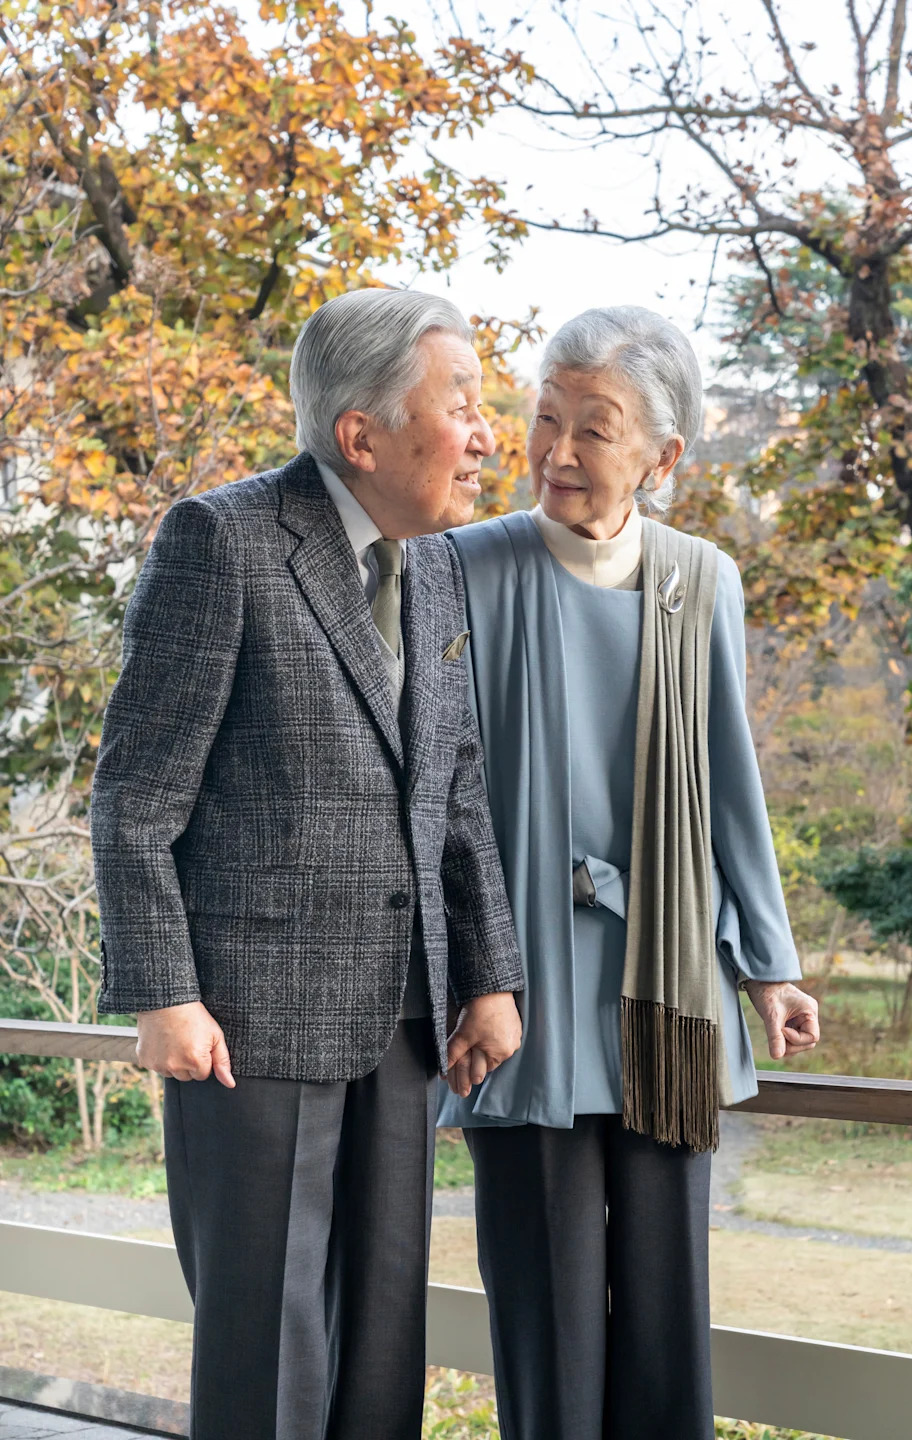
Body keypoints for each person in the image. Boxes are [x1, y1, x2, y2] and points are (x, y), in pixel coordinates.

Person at [90, 287, 524, 1440]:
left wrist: (488, 976)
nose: (487, 437)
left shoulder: (435, 566)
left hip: (405, 1026)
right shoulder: (219, 540)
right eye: (463, 408)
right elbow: (135, 796)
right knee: (268, 1347)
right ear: (362, 434)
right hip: (247, 1031)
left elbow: (455, 787)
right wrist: (163, 995)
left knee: (385, 1338)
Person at [439, 305, 820, 1440]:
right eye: (544, 420)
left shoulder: (703, 579)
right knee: (544, 1314)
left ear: (664, 456)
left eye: (593, 428)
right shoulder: (465, 567)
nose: (557, 450)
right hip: (524, 989)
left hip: (669, 989)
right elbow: (440, 794)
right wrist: (467, 965)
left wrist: (770, 964)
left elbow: (729, 781)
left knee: (666, 1303)